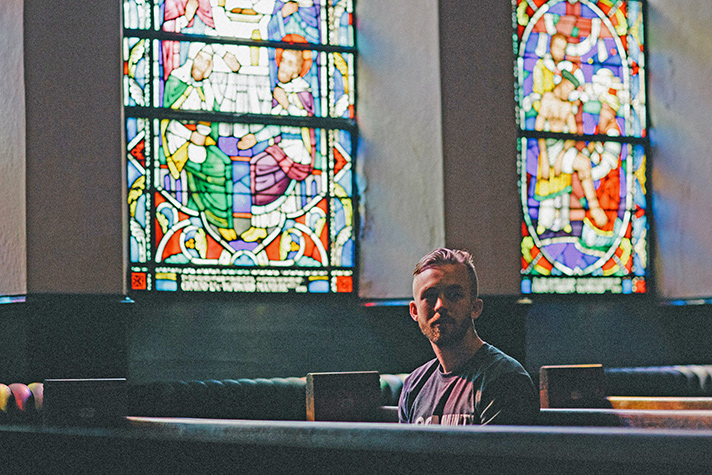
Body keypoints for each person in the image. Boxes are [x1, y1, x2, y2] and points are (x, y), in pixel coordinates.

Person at [399, 248, 539, 425]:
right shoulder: (414, 386)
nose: (440, 305)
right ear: (414, 311)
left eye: (454, 295)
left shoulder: (505, 380)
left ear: (475, 307)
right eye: (430, 296)